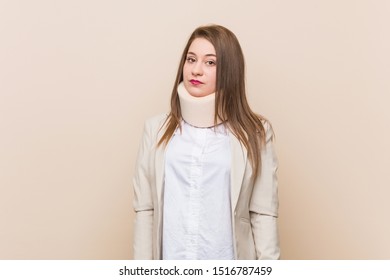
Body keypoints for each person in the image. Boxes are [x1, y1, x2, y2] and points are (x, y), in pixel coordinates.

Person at [132, 24, 279, 260]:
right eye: (191, 60)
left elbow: (263, 214)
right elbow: (145, 210)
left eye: (210, 62)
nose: (196, 70)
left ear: (229, 71)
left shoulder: (256, 133)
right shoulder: (155, 129)